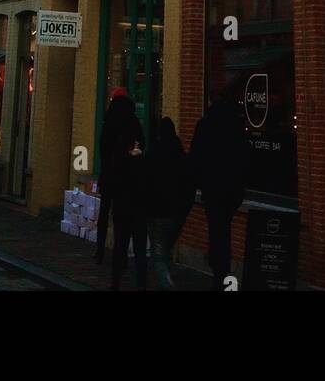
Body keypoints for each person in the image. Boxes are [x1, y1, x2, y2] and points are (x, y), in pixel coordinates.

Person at [190, 90, 248, 290]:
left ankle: (219, 274)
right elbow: (245, 157)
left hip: (213, 189)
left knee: (217, 231)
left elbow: (195, 157)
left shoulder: (205, 125)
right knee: (224, 231)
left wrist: (198, 183)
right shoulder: (236, 126)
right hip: (233, 190)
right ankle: (223, 272)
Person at [100, 92, 147, 290]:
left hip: (116, 186)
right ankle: (140, 282)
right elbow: (141, 148)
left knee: (118, 234)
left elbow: (103, 151)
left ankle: (113, 277)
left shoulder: (109, 124)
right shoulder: (134, 125)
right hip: (136, 192)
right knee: (138, 243)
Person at [145, 117, 196, 290]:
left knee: (158, 254)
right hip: (176, 215)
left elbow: (145, 183)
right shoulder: (181, 155)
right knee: (166, 250)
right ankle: (165, 281)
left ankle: (166, 285)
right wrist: (185, 210)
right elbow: (190, 186)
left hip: (156, 213)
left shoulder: (152, 154)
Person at [95, 88, 128, 263]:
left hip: (109, 174)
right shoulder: (131, 120)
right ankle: (120, 253)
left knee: (104, 212)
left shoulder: (108, 121)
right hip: (125, 176)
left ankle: (100, 249)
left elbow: (102, 147)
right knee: (120, 215)